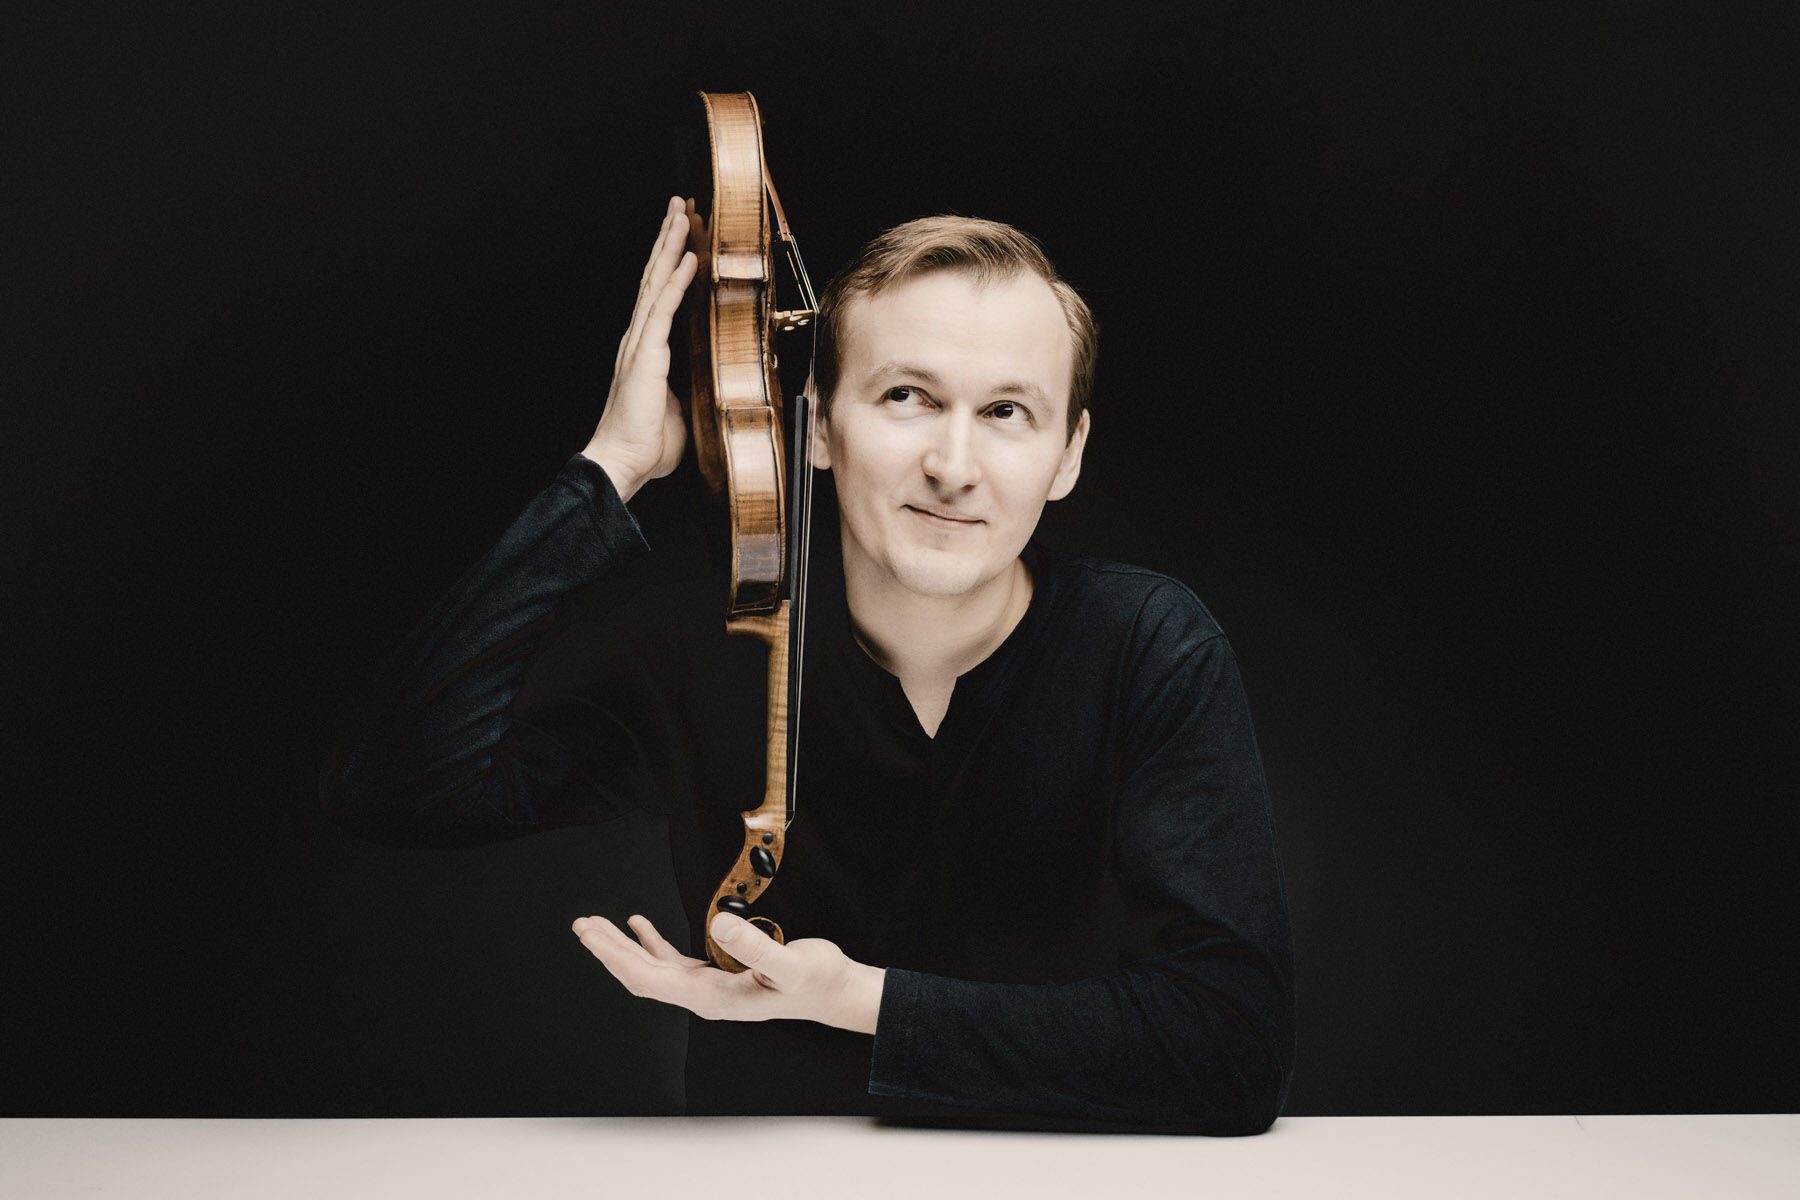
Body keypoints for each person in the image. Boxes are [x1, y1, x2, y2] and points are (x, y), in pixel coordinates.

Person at [323, 197, 1295, 1132]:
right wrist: (610, 468)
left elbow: (1233, 1047)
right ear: (818, 423)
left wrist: (855, 1000)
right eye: (907, 397)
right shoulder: (706, 644)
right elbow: (399, 787)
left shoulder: (1146, 643)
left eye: (1007, 411)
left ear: (1068, 454)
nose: (954, 466)